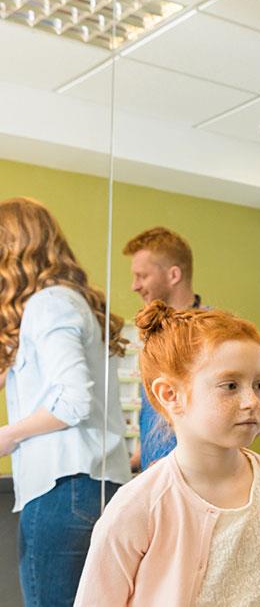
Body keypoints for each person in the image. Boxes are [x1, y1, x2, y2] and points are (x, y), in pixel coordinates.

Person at [75, 302, 260, 606]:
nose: (251, 401)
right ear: (171, 395)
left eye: (258, 384)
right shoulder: (138, 505)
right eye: (230, 385)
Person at [0, 197, 132, 606]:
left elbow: (73, 401)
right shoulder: (71, 303)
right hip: (99, 487)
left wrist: (9, 434)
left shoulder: (48, 304)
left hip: (63, 490)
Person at [123, 226, 204, 470]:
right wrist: (137, 459)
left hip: (192, 478)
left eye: (142, 276)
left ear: (173, 275)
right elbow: (157, 413)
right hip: (156, 475)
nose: (134, 286)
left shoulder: (209, 334)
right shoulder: (155, 335)